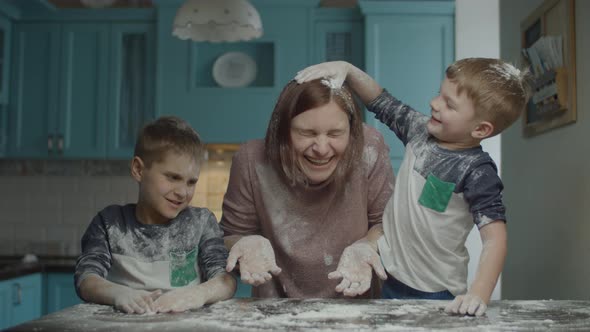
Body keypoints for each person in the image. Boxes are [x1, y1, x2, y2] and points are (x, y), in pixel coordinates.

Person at [295, 58, 531, 316]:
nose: (434, 104)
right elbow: (380, 101)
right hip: (388, 276)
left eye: (449, 104)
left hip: (435, 290)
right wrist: (348, 70)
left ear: (481, 129)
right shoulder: (419, 131)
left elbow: (495, 240)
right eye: (439, 94)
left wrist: (478, 293)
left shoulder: (477, 172)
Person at [220, 79, 395, 298]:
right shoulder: (251, 160)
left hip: (357, 309)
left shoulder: (368, 148)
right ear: (282, 130)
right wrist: (245, 242)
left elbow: (386, 224)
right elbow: (229, 236)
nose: (321, 149)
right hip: (275, 313)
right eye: (307, 133)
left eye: (335, 134)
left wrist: (368, 244)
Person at [74, 116, 236, 314]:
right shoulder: (109, 223)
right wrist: (119, 293)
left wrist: (196, 294)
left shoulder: (201, 222)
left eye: (191, 182)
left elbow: (225, 281)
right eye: (173, 177)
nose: (183, 192)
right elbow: (86, 278)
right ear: (138, 169)